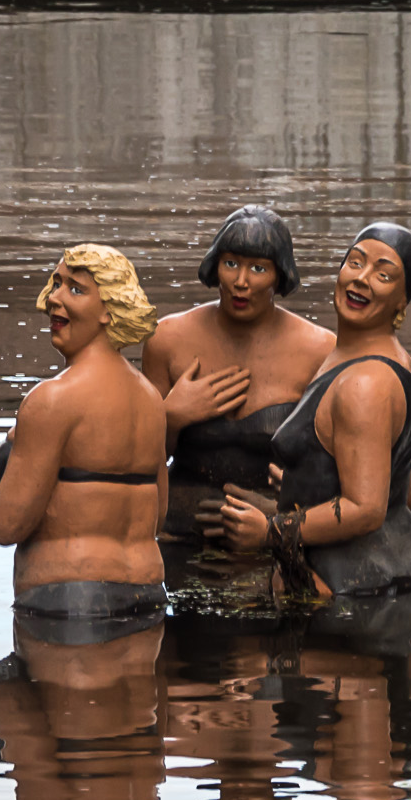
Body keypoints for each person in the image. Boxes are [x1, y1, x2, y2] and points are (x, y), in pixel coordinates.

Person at [218, 223, 411, 601]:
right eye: (355, 262)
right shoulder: (395, 363)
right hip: (396, 574)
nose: (362, 279)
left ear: (402, 300)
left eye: (383, 275)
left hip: (342, 591)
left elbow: (365, 510)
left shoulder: (364, 384)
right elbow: (409, 493)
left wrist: (270, 528)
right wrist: (309, 485)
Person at [0, 244, 170, 646]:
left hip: (67, 605)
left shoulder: (52, 399)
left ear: (109, 309)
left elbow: (6, 526)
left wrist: (4, 491)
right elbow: (158, 515)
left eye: (76, 289)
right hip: (148, 595)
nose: (54, 298)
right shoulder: (151, 400)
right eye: (56, 284)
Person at [139, 206, 337, 547]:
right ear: (215, 265)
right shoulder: (167, 339)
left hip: (274, 534)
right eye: (231, 263)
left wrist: (286, 511)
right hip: (178, 532)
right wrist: (169, 416)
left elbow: (341, 469)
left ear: (280, 274)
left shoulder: (320, 350)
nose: (241, 282)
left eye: (258, 268)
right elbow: (135, 460)